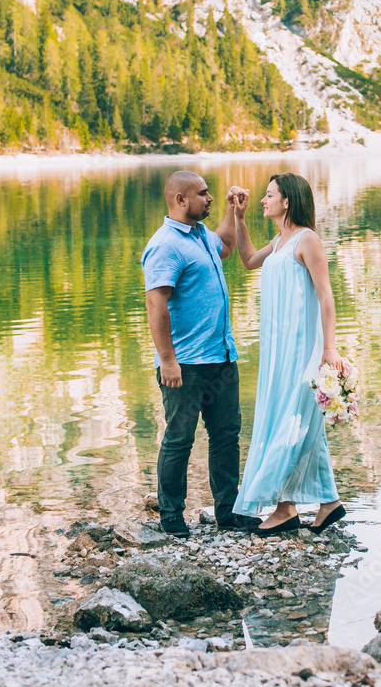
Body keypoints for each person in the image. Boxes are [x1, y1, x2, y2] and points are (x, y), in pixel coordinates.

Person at [141, 170, 260, 537]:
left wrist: (233, 212)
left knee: (226, 436)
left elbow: (225, 246)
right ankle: (172, 515)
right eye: (203, 194)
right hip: (186, 364)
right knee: (179, 438)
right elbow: (155, 304)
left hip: (221, 357)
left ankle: (228, 511)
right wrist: (167, 360)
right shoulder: (165, 244)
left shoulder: (199, 236)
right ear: (180, 200)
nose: (209, 198)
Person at [231, 173, 347, 536]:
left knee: (290, 417)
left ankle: (284, 507)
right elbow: (249, 260)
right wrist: (239, 218)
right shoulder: (280, 241)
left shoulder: (306, 239)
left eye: (269, 195)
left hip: (301, 347)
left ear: (287, 201)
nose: (263, 200)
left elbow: (326, 296)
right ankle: (328, 503)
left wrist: (329, 348)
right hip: (277, 348)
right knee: (300, 420)